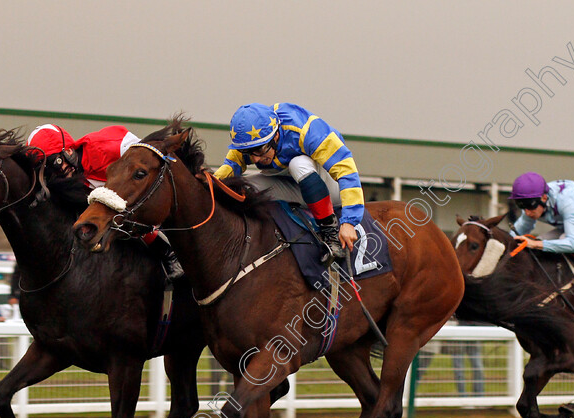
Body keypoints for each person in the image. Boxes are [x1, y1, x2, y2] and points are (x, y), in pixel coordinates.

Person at [27, 124, 183, 283]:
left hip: (151, 200)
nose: (57, 173)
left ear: (67, 151)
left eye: (55, 163)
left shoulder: (109, 145)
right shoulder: (66, 182)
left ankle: (169, 254)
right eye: (47, 170)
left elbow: (152, 162)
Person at [214, 103, 365, 261]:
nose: (255, 159)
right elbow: (229, 169)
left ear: (276, 136)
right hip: (293, 188)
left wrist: (349, 221)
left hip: (328, 188)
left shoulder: (308, 132)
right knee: (241, 186)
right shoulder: (252, 139)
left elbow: (346, 170)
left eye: (259, 150)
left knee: (298, 164)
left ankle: (330, 233)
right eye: (248, 153)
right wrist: (208, 184)